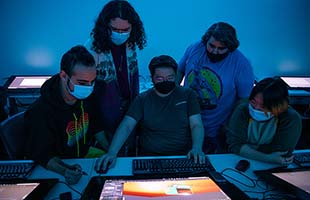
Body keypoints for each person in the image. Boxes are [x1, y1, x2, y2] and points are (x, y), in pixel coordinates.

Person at [95, 55, 205, 172]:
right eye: (160, 78)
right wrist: (112, 152)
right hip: (149, 158)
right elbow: (126, 126)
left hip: (183, 156)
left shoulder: (188, 95)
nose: (165, 81)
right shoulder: (142, 99)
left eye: (170, 77)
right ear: (152, 78)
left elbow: (196, 125)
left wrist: (197, 148)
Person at [25, 45, 106, 185]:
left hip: (85, 157)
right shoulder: (40, 111)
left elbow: (97, 126)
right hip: (57, 166)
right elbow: (43, 155)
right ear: (63, 76)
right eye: (82, 83)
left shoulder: (88, 96)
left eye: (92, 82)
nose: (88, 88)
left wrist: (111, 151)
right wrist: (65, 171)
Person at [176, 22, 255, 154]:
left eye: (221, 48)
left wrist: (230, 125)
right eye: (211, 46)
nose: (215, 51)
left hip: (215, 130)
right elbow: (179, 71)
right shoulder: (195, 48)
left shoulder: (241, 64)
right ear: (206, 40)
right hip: (185, 123)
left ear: (230, 48)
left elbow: (243, 101)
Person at [85, 0, 147, 156]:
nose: (120, 34)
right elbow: (89, 95)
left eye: (125, 29)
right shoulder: (92, 49)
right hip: (104, 115)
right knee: (109, 154)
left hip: (128, 109)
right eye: (115, 29)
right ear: (105, 26)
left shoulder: (130, 43)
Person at [226, 77, 302, 165]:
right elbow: (235, 145)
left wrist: (246, 148)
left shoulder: (290, 118)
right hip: (241, 160)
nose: (256, 108)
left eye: (263, 106)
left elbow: (282, 152)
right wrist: (267, 157)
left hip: (274, 165)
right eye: (253, 102)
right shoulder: (243, 109)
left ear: (278, 107)